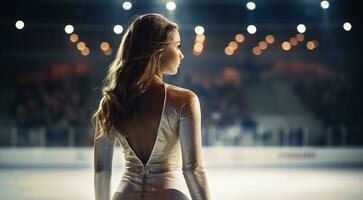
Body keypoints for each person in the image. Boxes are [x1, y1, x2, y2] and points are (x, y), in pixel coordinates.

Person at [93, 13, 211, 200]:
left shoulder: (112, 101)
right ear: (157, 49)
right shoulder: (183, 100)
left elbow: (101, 170)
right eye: (177, 46)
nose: (181, 54)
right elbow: (193, 169)